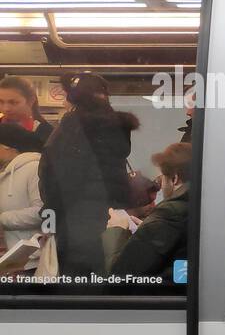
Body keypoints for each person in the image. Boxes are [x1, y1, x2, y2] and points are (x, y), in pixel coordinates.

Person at [37, 72, 140, 277]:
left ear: (72, 98)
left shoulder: (72, 128)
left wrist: (48, 220)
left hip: (75, 217)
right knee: (101, 273)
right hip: (109, 215)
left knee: (75, 280)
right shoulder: (116, 127)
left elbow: (56, 179)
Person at [102, 142, 190, 279]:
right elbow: (180, 274)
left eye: (162, 179)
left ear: (175, 178)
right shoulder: (194, 210)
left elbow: (119, 278)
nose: (162, 186)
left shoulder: (169, 216)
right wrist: (146, 232)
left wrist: (116, 229)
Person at [0, 123, 45, 271]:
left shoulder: (33, 169)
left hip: (32, 262)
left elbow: (42, 212)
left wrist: (2, 219)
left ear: (7, 147)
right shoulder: (4, 173)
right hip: (10, 262)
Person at [0, 76, 53, 143]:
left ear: (31, 101)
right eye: (1, 102)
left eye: (13, 102)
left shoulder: (47, 134)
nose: (6, 108)